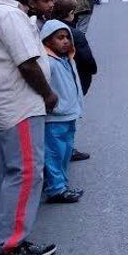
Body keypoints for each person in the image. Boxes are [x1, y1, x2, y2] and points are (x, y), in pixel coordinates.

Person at [0, 0, 57, 255]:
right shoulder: (8, 15)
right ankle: (6, 247)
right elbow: (28, 63)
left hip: (1, 102)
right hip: (18, 103)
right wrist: (48, 94)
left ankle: (1, 236)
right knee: (26, 172)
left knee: (4, 172)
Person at [39, 20, 83, 205]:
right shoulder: (47, 62)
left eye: (67, 37)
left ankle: (61, 185)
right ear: (48, 41)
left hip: (69, 114)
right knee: (54, 154)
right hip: (55, 117)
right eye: (60, 38)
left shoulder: (67, 59)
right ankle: (56, 189)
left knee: (64, 153)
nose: (65, 41)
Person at [51, 0, 96, 162]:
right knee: (68, 117)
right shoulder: (73, 34)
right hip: (72, 79)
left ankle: (64, 149)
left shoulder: (47, 27)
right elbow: (87, 61)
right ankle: (66, 151)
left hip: (57, 80)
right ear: (71, 12)